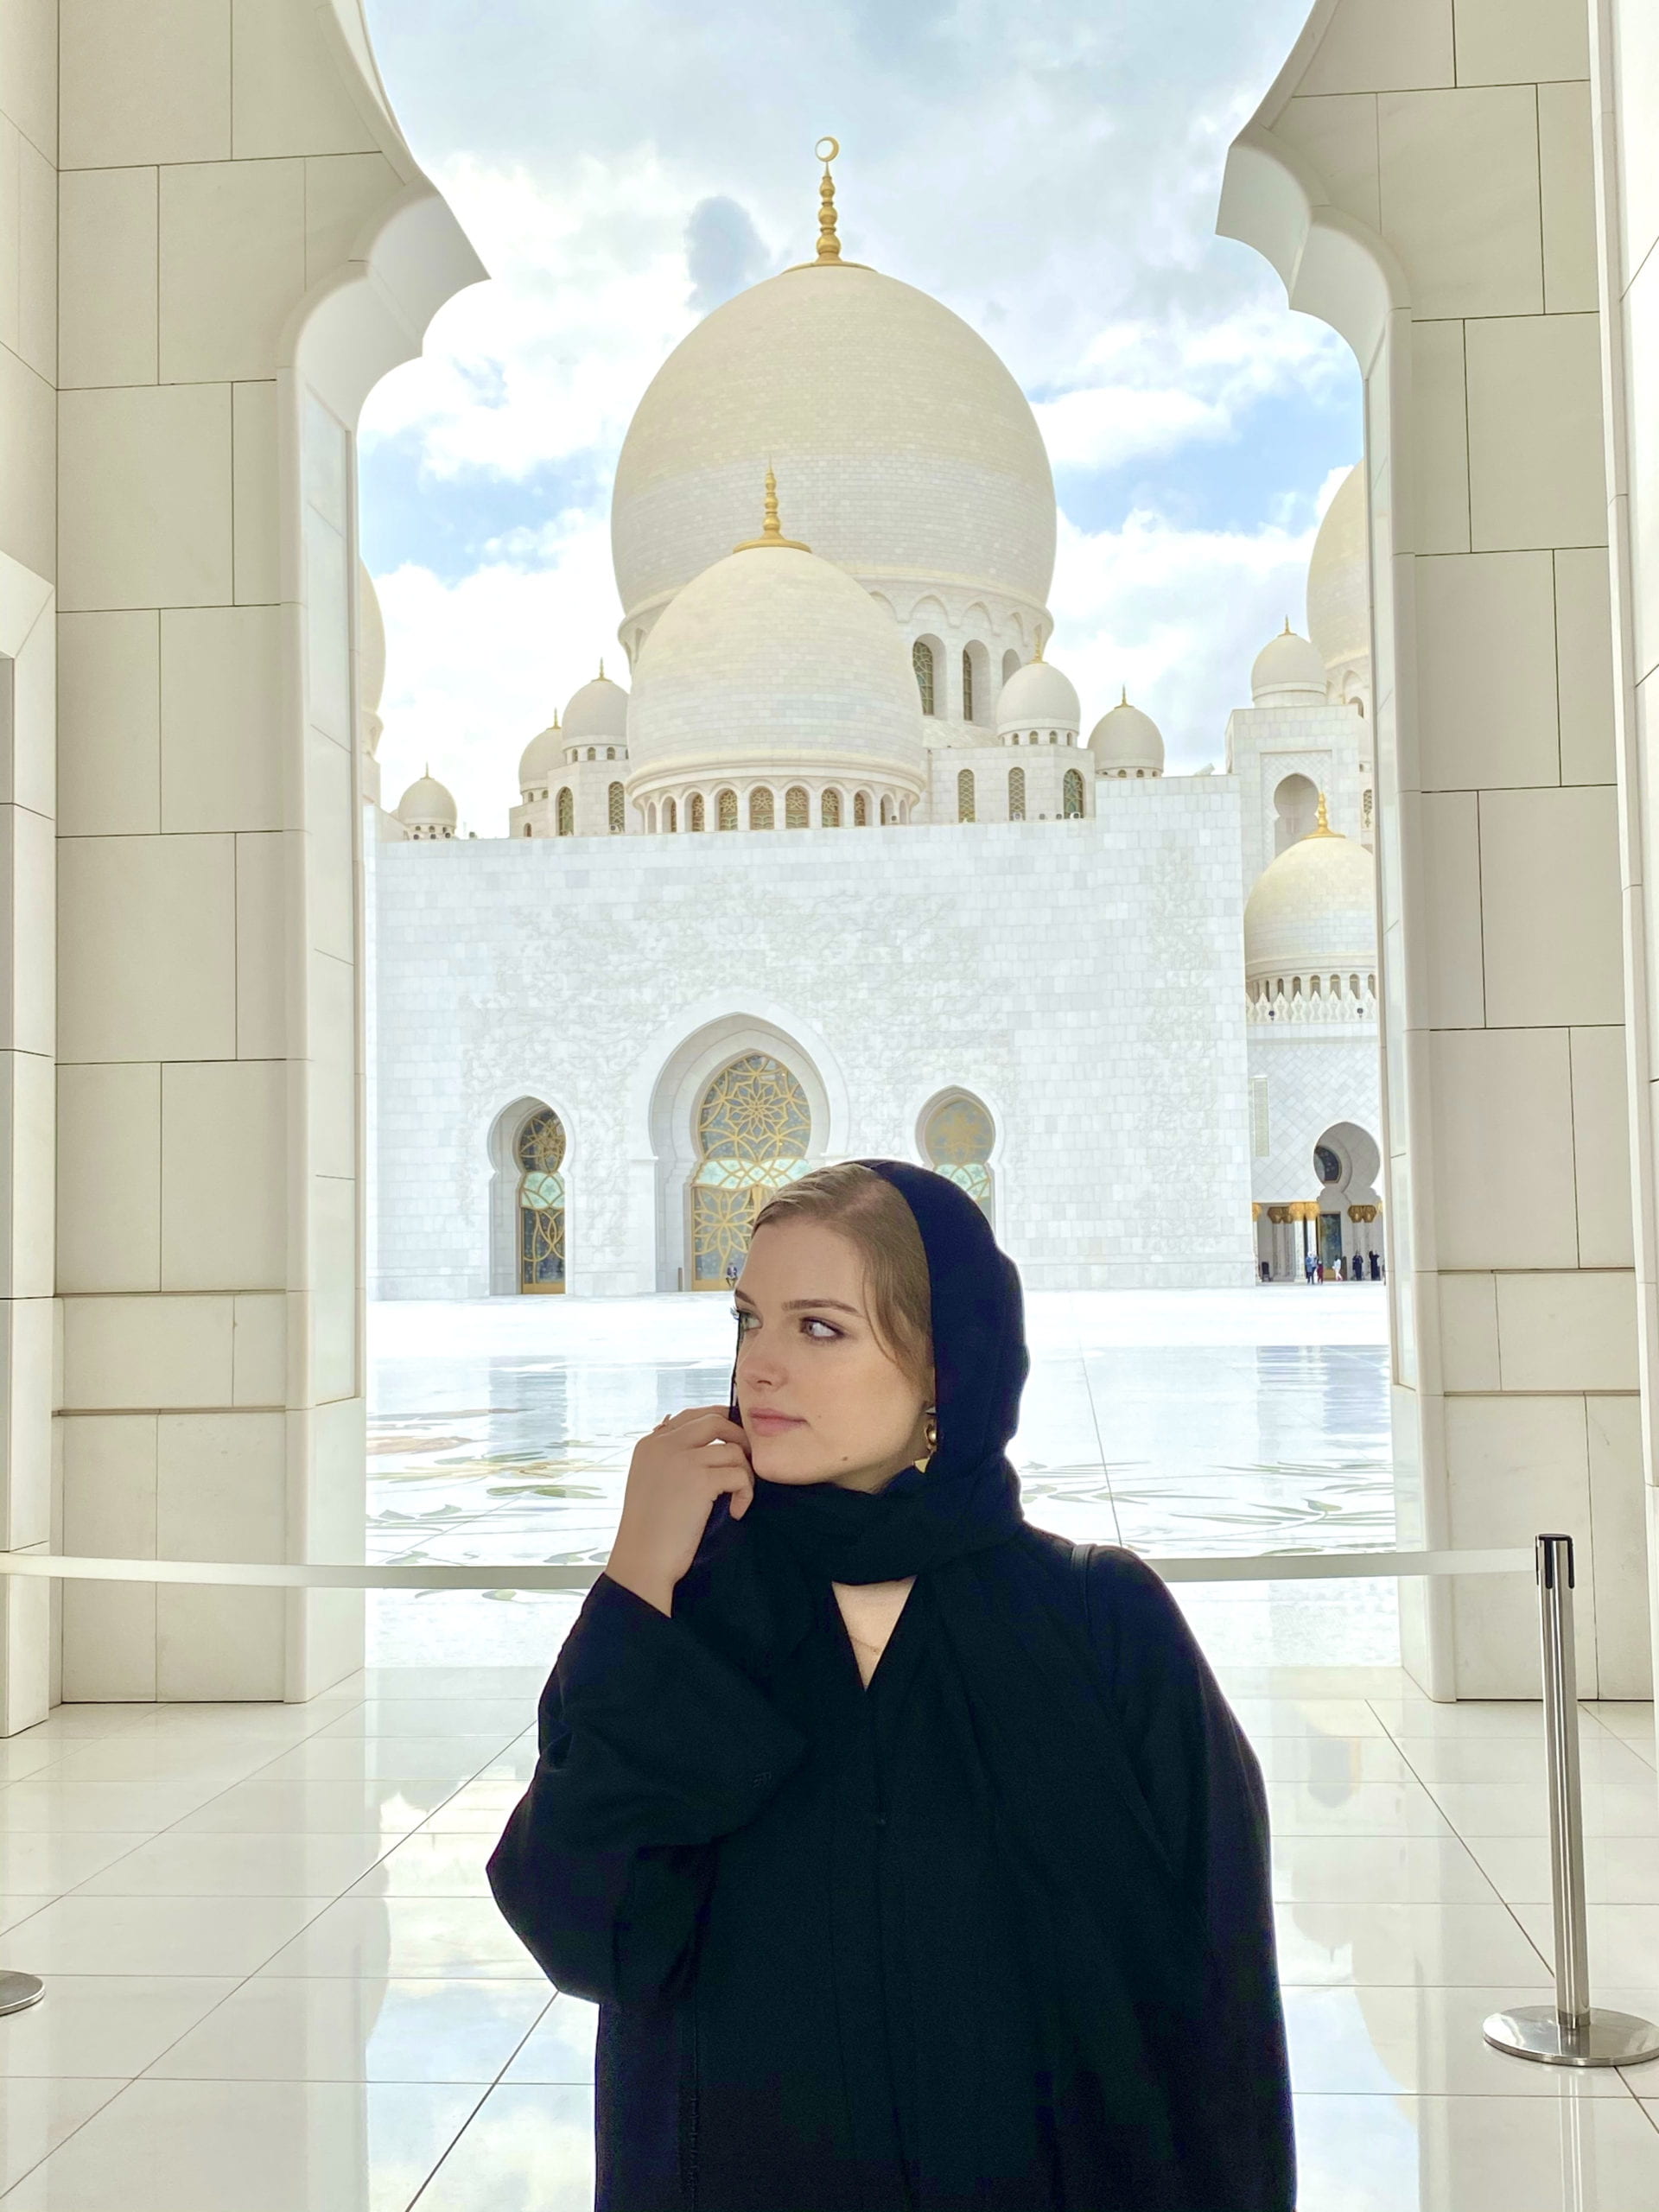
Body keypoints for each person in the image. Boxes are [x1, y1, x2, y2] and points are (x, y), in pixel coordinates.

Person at [487, 1160, 1294, 2211]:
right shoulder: (694, 1614)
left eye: (819, 1327)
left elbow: (1214, 2022)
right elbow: (583, 1928)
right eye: (748, 1320)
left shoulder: (1100, 1626)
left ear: (941, 1371)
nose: (762, 1366)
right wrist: (638, 1576)